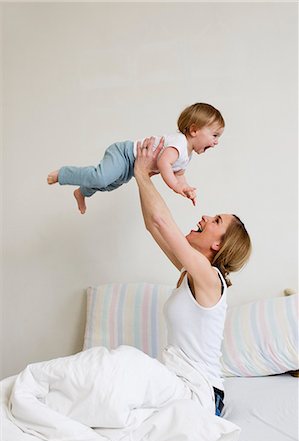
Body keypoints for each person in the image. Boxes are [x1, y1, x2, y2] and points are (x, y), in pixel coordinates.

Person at [134, 136, 252, 416]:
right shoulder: (192, 273)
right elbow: (153, 225)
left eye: (215, 222)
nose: (205, 217)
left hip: (202, 395)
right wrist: (141, 177)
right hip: (179, 383)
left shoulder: (210, 279)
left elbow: (163, 221)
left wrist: (142, 174)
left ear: (218, 245)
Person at [47, 103, 224, 213]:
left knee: (107, 185)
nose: (216, 142)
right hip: (124, 154)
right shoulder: (178, 143)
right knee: (100, 177)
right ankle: (62, 174)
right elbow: (164, 163)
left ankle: (82, 192)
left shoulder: (187, 155)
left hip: (132, 168)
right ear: (194, 130)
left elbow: (179, 174)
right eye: (214, 135)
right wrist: (175, 187)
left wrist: (185, 187)